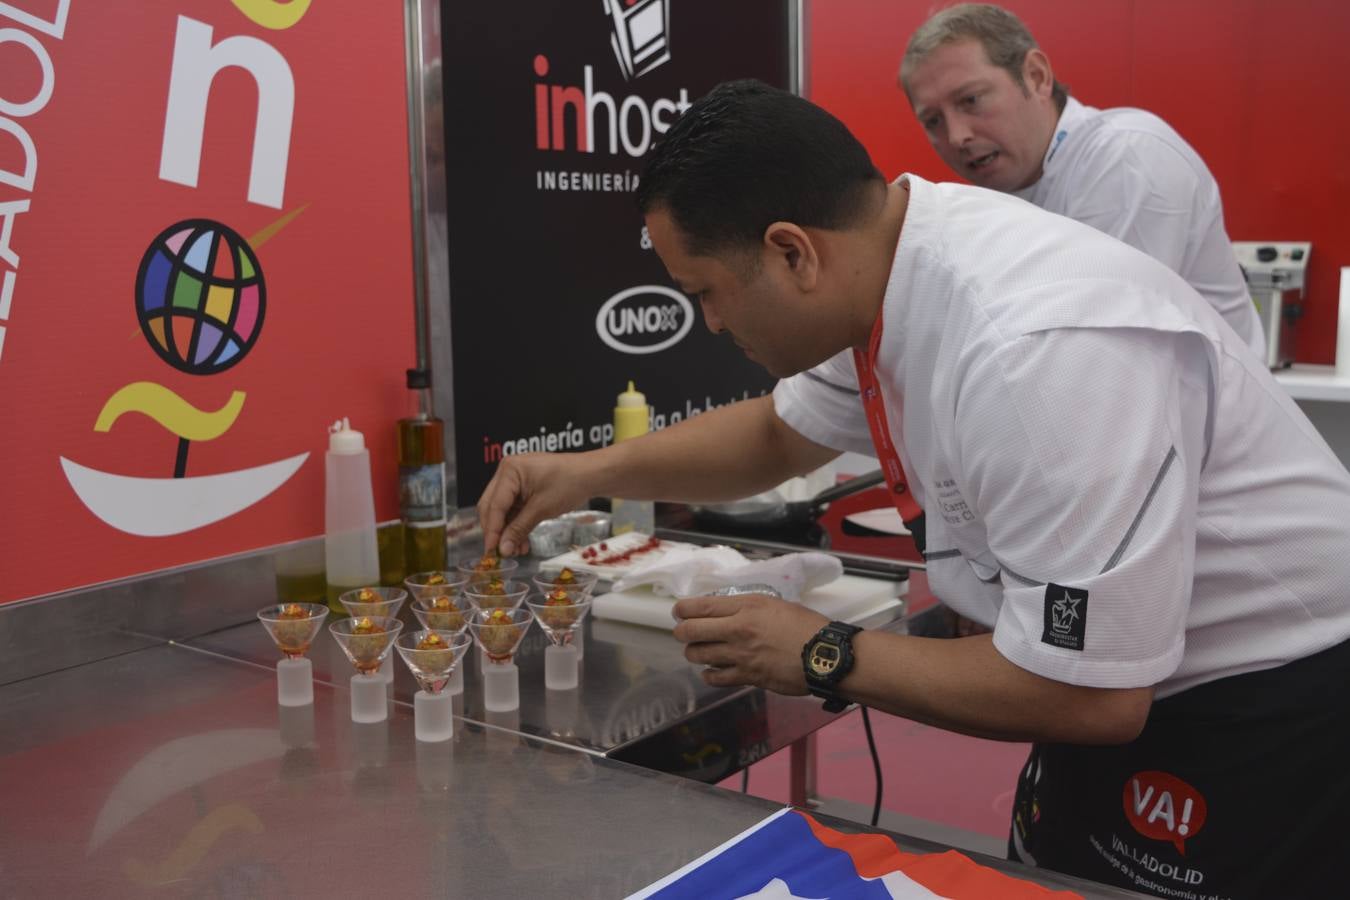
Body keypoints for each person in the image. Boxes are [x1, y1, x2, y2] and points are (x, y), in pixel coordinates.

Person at [477, 80, 1350, 898]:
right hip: (1115, 686)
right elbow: (776, 433)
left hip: (1263, 704)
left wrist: (822, 653)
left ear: (792, 252)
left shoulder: (1035, 350)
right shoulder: (892, 264)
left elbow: (1095, 693)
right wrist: (584, 473)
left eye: (706, 293)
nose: (710, 323)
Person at [899, 3, 1266, 360]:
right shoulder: (999, 206)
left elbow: (1092, 348)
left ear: (1036, 76)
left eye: (971, 100)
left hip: (1214, 420)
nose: (957, 135)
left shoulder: (1125, 156)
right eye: (933, 121)